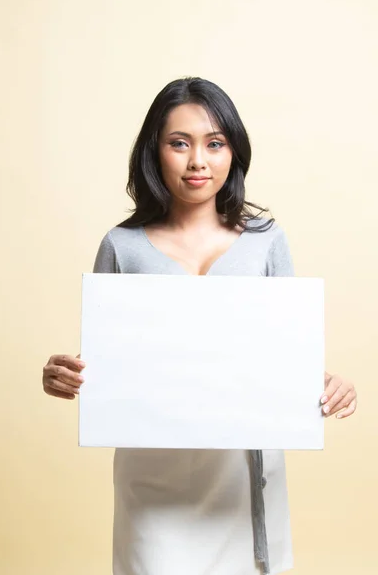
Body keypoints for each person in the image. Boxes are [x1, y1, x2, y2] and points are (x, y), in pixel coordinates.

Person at [42, 77, 357, 575]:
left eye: (215, 143)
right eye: (179, 143)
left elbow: (286, 360)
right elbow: (103, 367)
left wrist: (327, 384)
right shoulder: (121, 245)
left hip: (241, 476)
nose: (198, 161)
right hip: (153, 474)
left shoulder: (266, 242)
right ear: (155, 150)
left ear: (233, 151)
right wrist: (63, 374)